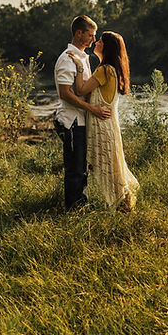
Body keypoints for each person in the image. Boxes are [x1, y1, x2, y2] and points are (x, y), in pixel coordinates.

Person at [68, 30, 140, 209]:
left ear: (106, 47)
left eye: (99, 41)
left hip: (102, 126)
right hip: (110, 126)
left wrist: (78, 66)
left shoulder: (104, 70)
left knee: (109, 170)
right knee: (113, 168)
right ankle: (124, 204)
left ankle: (122, 206)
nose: (96, 42)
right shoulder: (113, 69)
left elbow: (80, 90)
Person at [54, 15, 111, 208]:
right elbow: (65, 94)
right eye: (90, 35)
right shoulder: (66, 59)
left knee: (82, 166)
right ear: (79, 33)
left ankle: (81, 203)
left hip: (81, 121)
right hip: (71, 121)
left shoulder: (81, 58)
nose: (93, 40)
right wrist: (92, 109)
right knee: (75, 168)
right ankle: (74, 208)